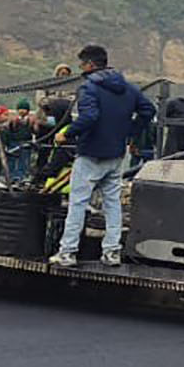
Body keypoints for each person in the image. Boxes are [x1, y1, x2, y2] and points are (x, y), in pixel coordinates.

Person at [53, 44, 154, 268]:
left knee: (78, 202)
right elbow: (149, 110)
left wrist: (67, 134)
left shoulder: (89, 87)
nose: (81, 68)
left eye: (82, 64)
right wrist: (130, 132)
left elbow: (89, 116)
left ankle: (67, 252)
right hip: (116, 153)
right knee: (112, 203)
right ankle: (111, 252)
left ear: (89, 64)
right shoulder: (128, 88)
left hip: (90, 152)